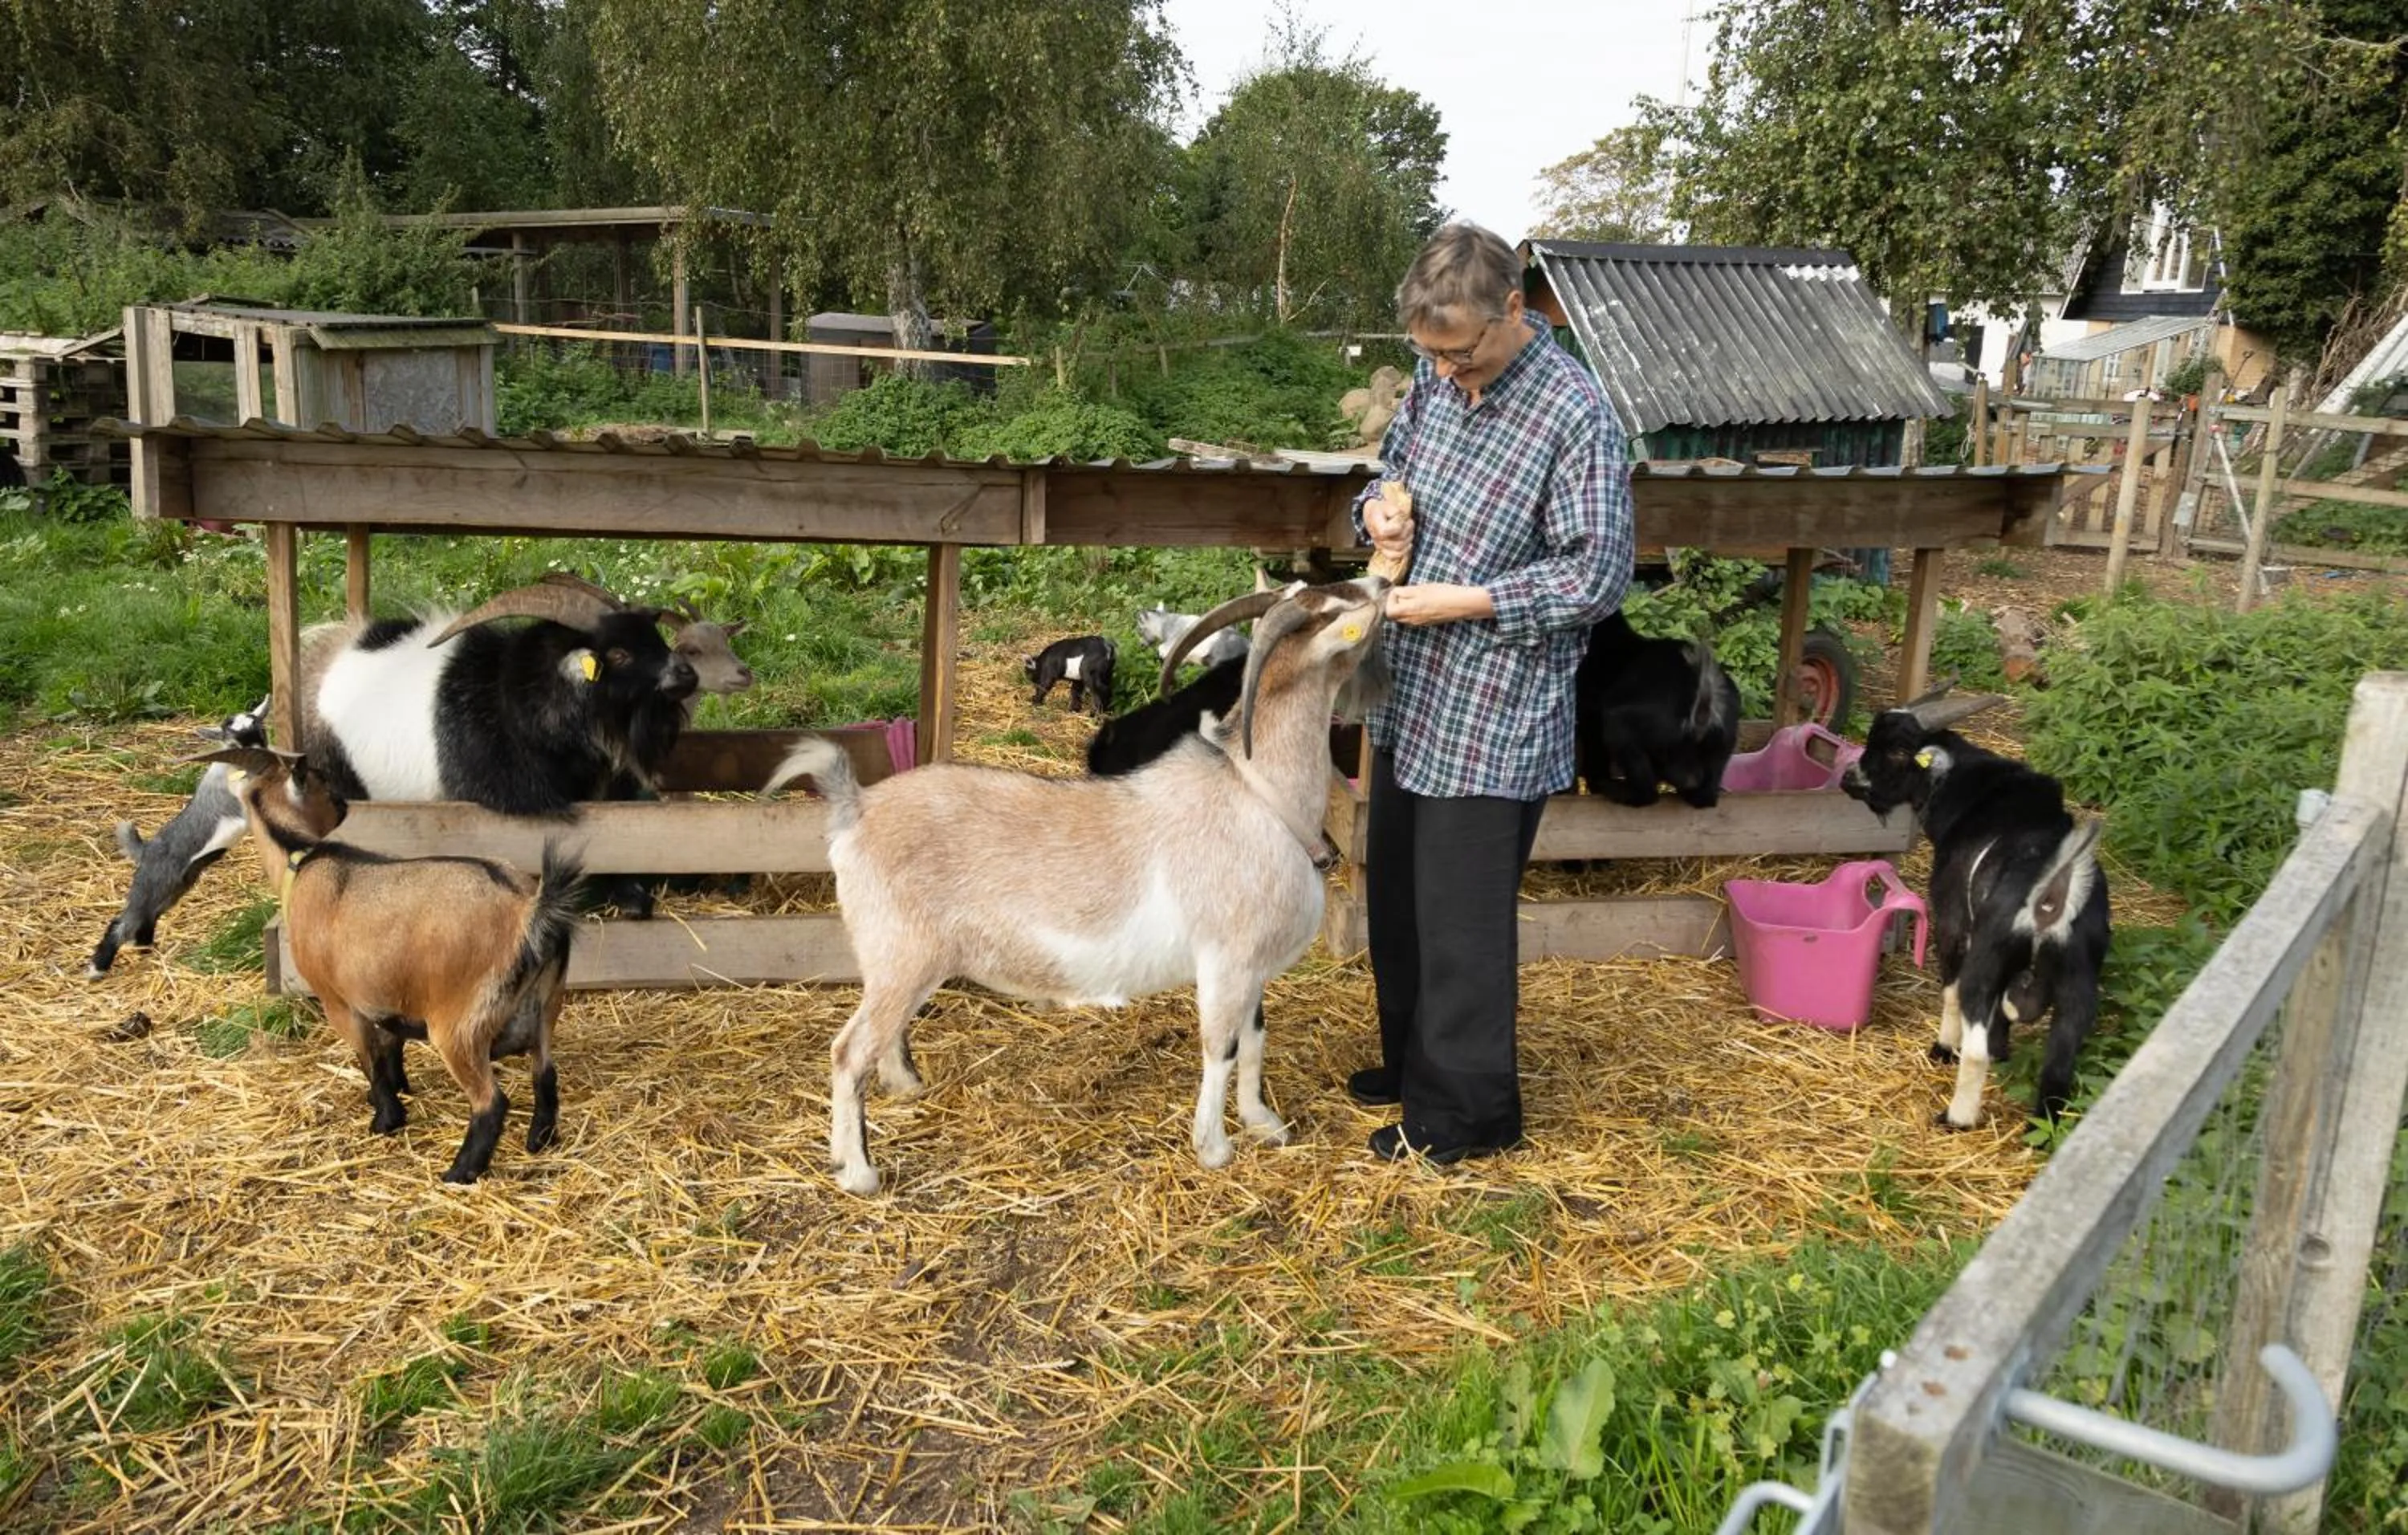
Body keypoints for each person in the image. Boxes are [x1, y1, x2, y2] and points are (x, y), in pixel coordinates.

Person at [1348, 222, 1633, 1164]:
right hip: (1412, 693)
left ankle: (1466, 1116)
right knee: (1396, 896)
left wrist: (1473, 600)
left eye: (1460, 350)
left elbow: (1597, 575)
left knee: (1462, 923)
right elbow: (1391, 474)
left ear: (1515, 309)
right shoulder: (1435, 386)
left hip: (1497, 710)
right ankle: (1411, 1065)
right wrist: (1378, 510)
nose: (1446, 370)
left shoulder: (1574, 413)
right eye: (1429, 353)